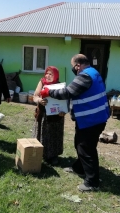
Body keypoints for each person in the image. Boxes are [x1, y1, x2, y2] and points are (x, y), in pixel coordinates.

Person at [40, 54, 110, 192]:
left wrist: (49, 91)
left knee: (86, 149)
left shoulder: (84, 76)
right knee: (80, 144)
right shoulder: (94, 72)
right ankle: (79, 168)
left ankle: (92, 182)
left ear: (78, 66)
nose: (73, 69)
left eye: (73, 67)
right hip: (96, 117)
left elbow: (68, 92)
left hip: (91, 119)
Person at [32, 66, 65, 166]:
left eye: (51, 74)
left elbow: (64, 101)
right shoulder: (42, 82)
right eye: (47, 73)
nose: (48, 75)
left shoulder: (60, 86)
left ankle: (53, 156)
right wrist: (39, 100)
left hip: (56, 115)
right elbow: (35, 96)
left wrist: (64, 111)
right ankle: (39, 152)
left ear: (56, 76)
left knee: (54, 134)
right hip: (43, 113)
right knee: (42, 132)